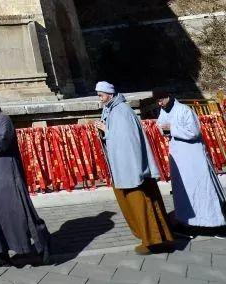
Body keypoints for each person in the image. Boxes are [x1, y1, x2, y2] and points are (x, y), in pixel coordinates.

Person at [0, 86, 51, 267]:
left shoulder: (4, 120)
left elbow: (1, 143)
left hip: (7, 175)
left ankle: (42, 247)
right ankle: (1, 252)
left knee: (21, 212)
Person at [95, 80, 174, 254]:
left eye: (101, 95)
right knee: (140, 203)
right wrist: (105, 130)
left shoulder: (121, 111)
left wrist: (106, 131)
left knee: (141, 203)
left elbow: (127, 140)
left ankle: (153, 241)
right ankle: (158, 238)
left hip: (131, 169)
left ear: (110, 94)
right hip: (124, 168)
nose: (100, 99)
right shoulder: (113, 110)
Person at [153, 87, 226, 234]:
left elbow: (194, 131)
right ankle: (186, 222)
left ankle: (216, 223)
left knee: (203, 189)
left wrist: (172, 128)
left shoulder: (184, 110)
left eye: (161, 99)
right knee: (183, 190)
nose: (159, 103)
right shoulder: (163, 111)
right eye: (157, 101)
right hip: (179, 157)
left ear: (168, 96)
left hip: (193, 157)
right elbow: (161, 126)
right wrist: (163, 129)